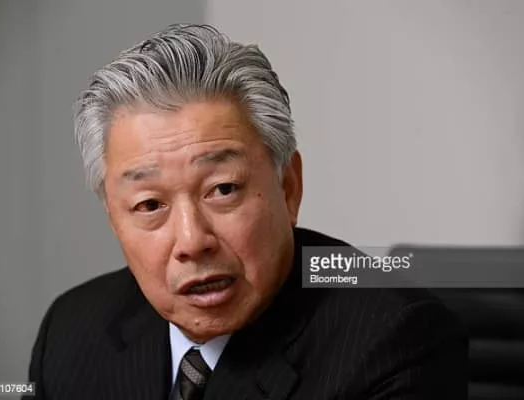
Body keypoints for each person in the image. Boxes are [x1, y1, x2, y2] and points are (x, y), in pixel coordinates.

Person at [24, 24, 468, 399]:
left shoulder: (395, 341)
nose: (192, 241)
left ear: (288, 187)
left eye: (222, 189)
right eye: (150, 204)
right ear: (113, 217)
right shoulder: (71, 330)